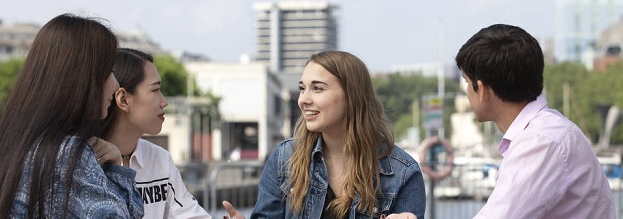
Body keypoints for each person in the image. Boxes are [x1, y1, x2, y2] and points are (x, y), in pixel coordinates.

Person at [0, 14, 144, 218]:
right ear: (82, 77)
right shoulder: (67, 154)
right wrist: (117, 167)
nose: (116, 85)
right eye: (109, 71)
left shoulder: (15, 143)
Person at [223, 51, 426, 219]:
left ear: (352, 96)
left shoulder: (403, 173)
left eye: (317, 88)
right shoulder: (285, 158)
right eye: (302, 89)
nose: (304, 99)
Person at [455, 24, 615, 218]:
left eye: (466, 81)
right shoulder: (548, 130)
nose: (466, 91)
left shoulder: (540, 141)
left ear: (482, 90)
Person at [98, 48, 210, 218]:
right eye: (155, 90)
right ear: (123, 99)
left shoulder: (159, 159)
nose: (164, 102)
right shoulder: (84, 161)